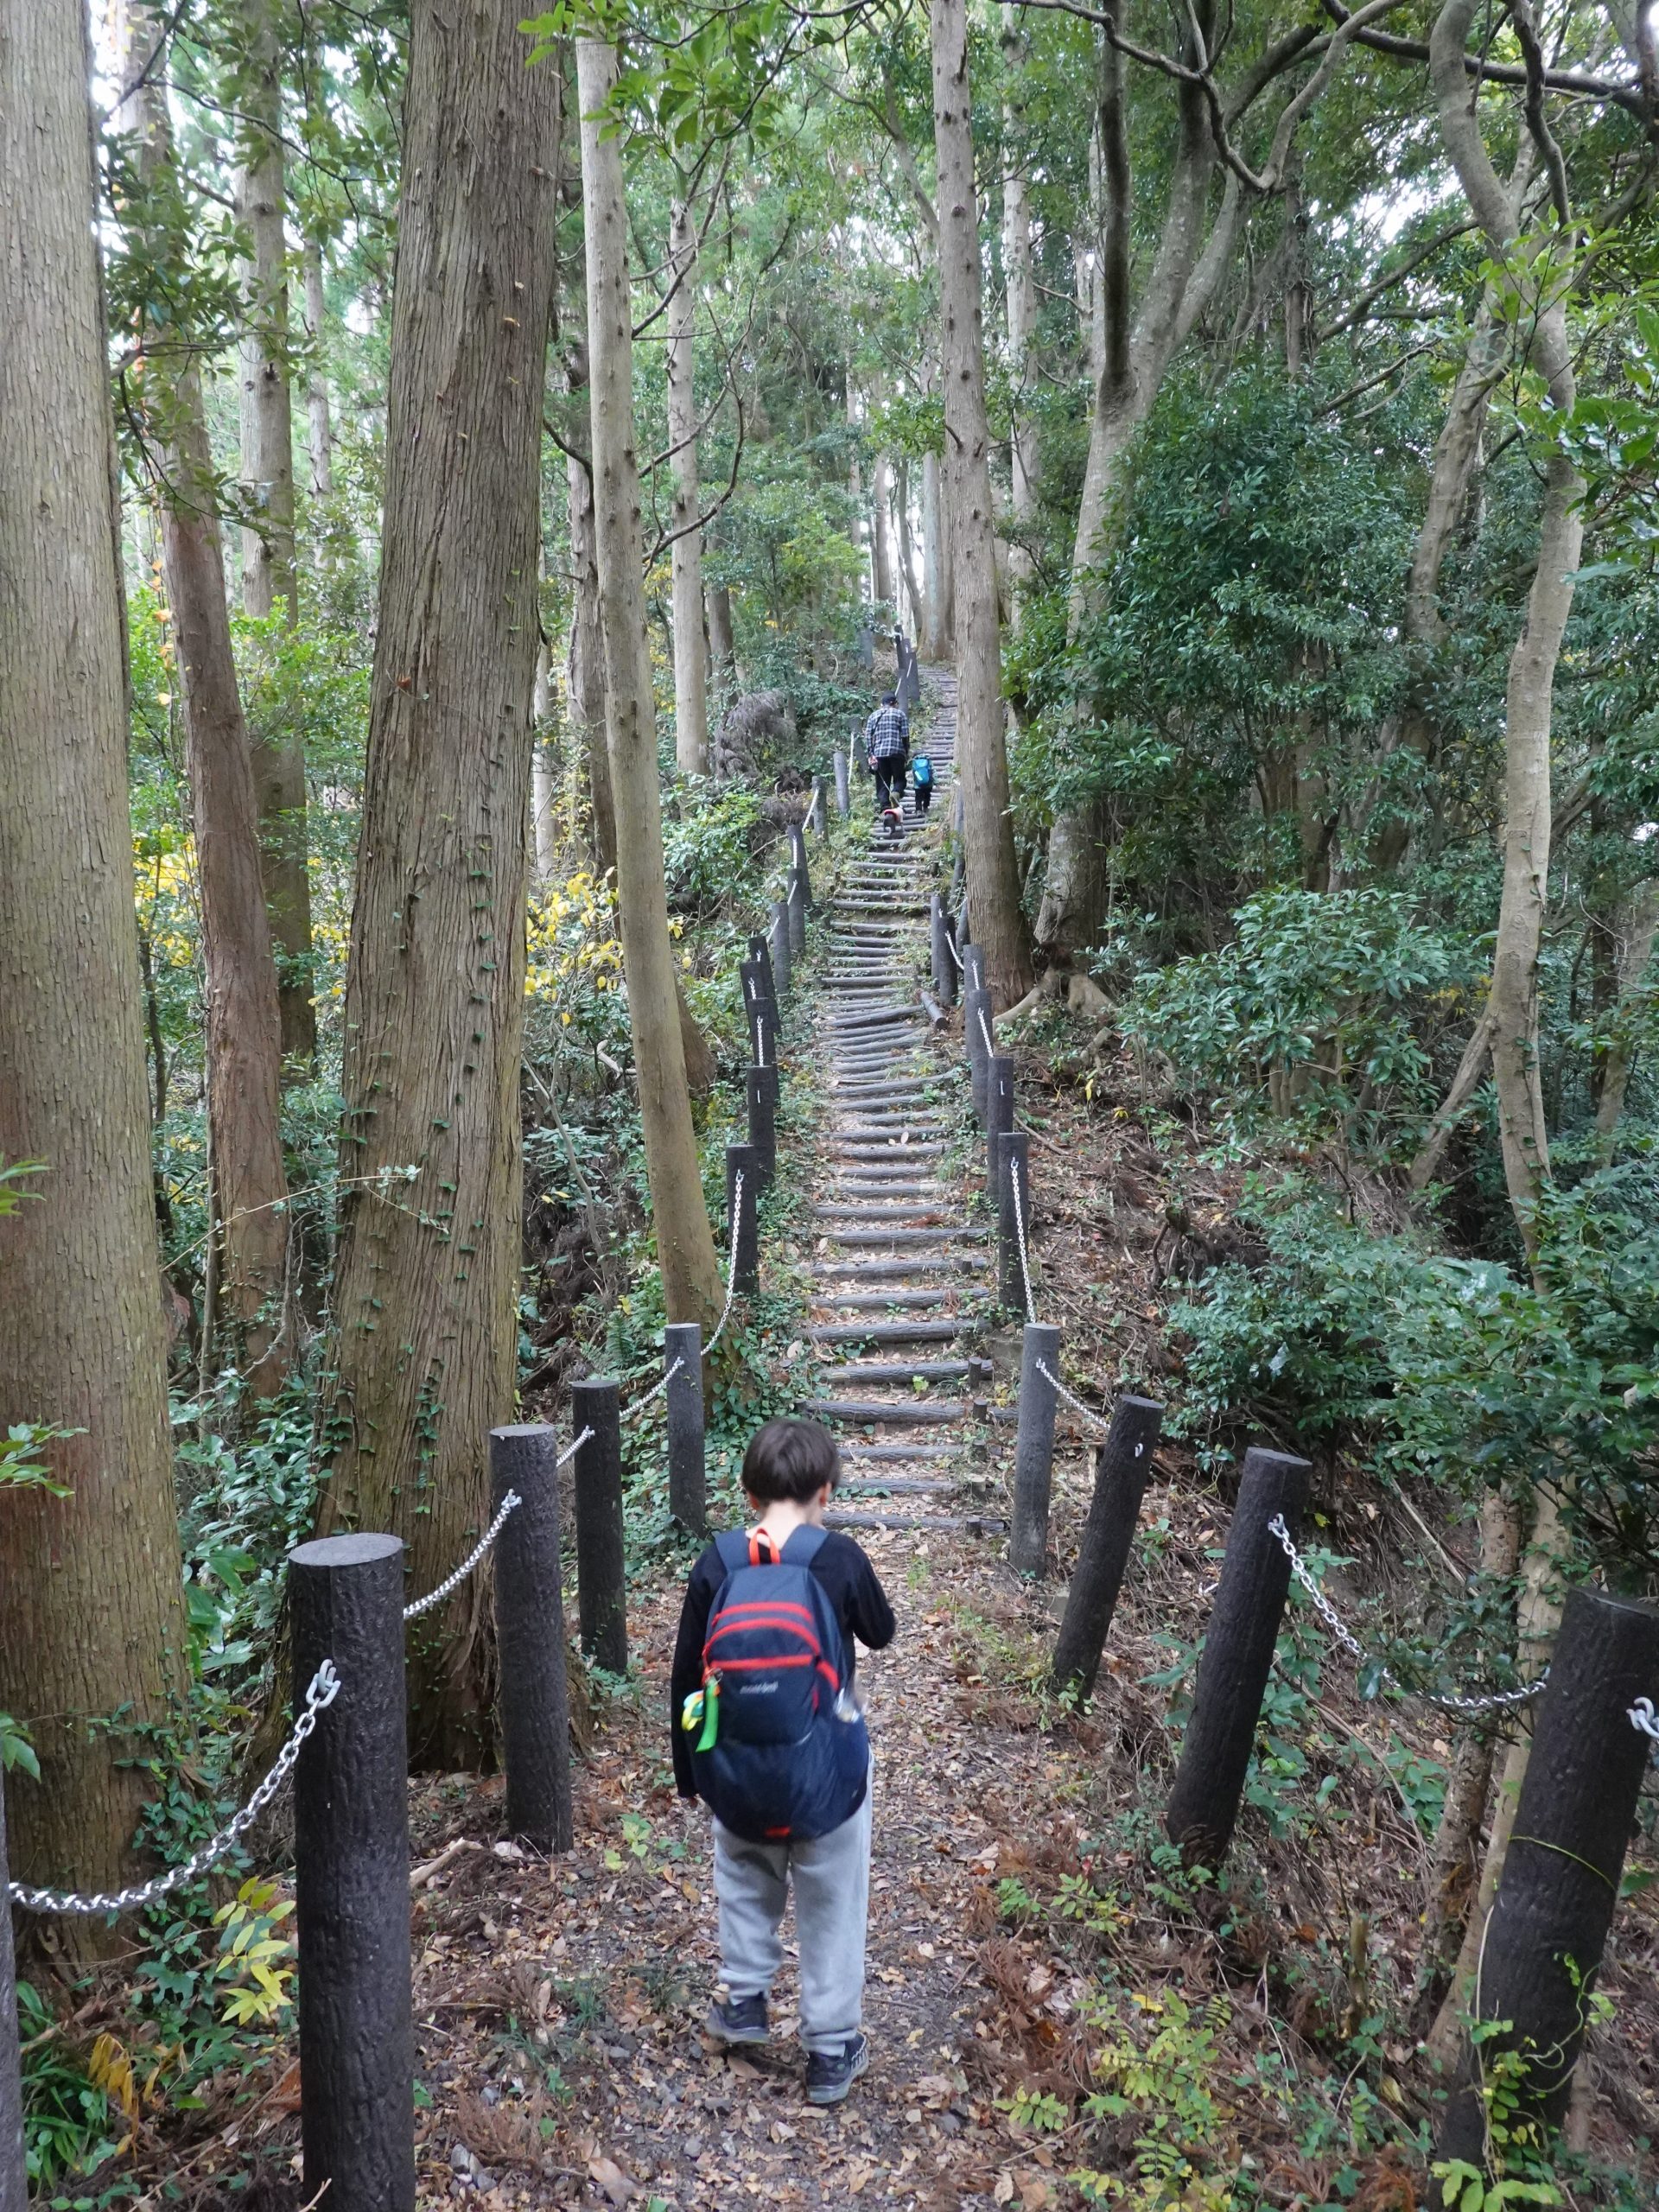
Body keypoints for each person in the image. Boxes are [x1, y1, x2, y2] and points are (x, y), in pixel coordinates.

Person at [671, 1419, 896, 2105]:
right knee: (832, 1899)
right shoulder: (840, 1557)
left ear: (747, 1494)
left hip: (738, 1773)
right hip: (826, 1776)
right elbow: (881, 1633)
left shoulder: (716, 1563)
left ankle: (744, 2001)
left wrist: (692, 1774)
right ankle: (829, 2049)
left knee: (743, 1877)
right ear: (826, 1491)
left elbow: (686, 1676)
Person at [862, 692, 909, 824]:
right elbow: (905, 736)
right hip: (897, 752)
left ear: (881, 704)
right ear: (894, 703)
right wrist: (905, 753)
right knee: (900, 779)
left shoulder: (873, 716)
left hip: (879, 754)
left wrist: (871, 754)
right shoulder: (900, 714)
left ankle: (885, 809)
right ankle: (895, 793)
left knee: (882, 783)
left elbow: (868, 737)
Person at [911, 747, 934, 818]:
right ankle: (926, 808)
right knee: (927, 795)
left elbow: (906, 768)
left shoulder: (913, 761)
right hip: (928, 784)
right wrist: (936, 782)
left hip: (918, 785)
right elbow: (933, 771)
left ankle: (918, 810)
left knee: (918, 797)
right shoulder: (928, 760)